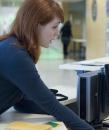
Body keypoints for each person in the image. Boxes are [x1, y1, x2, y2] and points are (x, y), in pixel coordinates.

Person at [0, 0, 94, 130]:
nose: (57, 34)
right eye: (54, 27)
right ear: (36, 25)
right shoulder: (15, 55)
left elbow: (21, 102)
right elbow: (50, 104)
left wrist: (72, 114)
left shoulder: (13, 46)